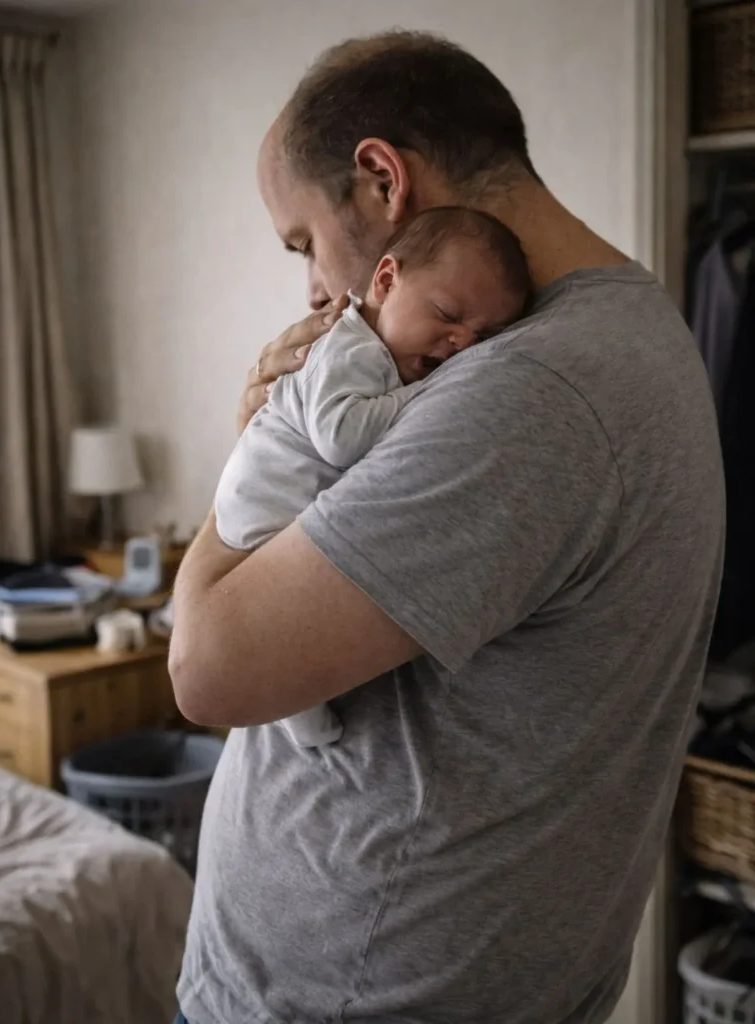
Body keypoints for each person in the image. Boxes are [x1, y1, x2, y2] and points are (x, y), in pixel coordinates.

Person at [169, 30, 725, 1024]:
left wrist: (252, 452)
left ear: (383, 178)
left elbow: (205, 668)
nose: (311, 290)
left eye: (303, 243)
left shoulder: (530, 389)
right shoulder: (624, 331)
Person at [214, 206, 531, 748]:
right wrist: (422, 395)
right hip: (263, 507)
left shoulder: (379, 350)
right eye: (447, 313)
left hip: (266, 502)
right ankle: (301, 713)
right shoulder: (353, 348)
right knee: (290, 631)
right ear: (386, 280)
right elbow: (341, 435)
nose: (461, 343)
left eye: (484, 334)